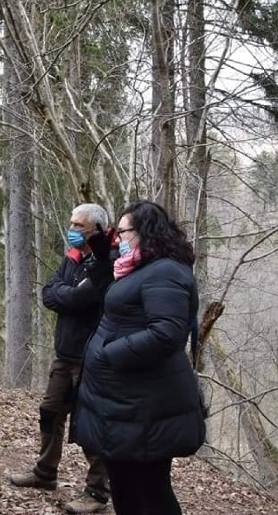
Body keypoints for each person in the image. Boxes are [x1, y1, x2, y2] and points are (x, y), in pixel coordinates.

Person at [73, 200, 206, 515]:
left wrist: (110, 355)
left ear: (145, 232)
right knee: (126, 487)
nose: (118, 239)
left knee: (151, 492)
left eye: (123, 232)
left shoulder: (166, 272)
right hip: (126, 404)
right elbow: (112, 295)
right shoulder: (138, 267)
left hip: (147, 406)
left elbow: (167, 333)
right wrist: (100, 252)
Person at [9, 204, 112, 514]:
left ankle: (96, 493)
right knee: (50, 412)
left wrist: (67, 296)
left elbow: (87, 296)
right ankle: (44, 474)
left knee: (90, 425)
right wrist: (68, 295)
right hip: (64, 354)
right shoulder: (73, 257)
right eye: (71, 223)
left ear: (96, 229)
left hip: (91, 359)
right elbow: (49, 293)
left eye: (78, 225)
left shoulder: (107, 261)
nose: (72, 230)